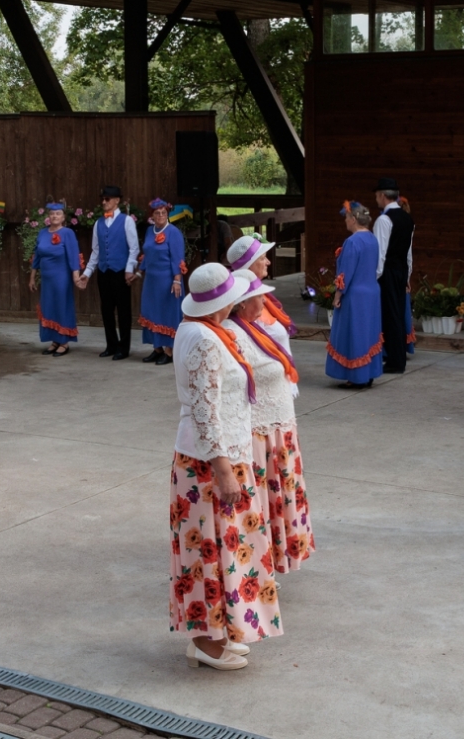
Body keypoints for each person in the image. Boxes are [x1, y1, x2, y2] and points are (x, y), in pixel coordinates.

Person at [169, 263, 282, 670]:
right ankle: (205, 641)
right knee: (207, 552)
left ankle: (220, 631)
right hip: (207, 462)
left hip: (222, 453)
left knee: (227, 548)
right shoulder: (202, 337)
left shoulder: (209, 332)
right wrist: (222, 468)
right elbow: (204, 409)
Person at [226, 274, 316, 575]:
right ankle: (258, 567)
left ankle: (272, 562)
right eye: (259, 297)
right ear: (241, 303)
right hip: (259, 432)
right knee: (261, 503)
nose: (264, 302)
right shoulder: (233, 334)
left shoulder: (251, 329)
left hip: (274, 428)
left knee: (274, 501)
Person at [326, 201, 383, 388]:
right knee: (368, 333)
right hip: (371, 293)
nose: (345, 221)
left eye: (346, 218)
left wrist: (337, 295)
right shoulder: (372, 239)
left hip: (355, 295)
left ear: (353, 219)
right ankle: (368, 373)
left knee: (355, 334)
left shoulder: (352, 242)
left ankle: (357, 377)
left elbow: (345, 273)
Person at [78, 185, 138, 360]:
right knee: (106, 310)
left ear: (117, 200)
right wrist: (87, 273)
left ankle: (123, 348)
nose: (104, 202)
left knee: (124, 310)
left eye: (107, 199)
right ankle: (111, 345)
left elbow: (133, 248)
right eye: (102, 199)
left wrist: (128, 270)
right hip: (104, 272)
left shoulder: (127, 221)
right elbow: (96, 251)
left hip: (120, 271)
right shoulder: (98, 223)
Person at [372, 177, 415, 374]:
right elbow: (408, 252)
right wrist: (407, 277)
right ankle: (398, 359)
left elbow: (380, 253)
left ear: (382, 196)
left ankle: (395, 361)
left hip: (387, 272)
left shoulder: (384, 219)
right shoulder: (407, 218)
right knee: (397, 313)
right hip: (400, 271)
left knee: (390, 316)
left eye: (377, 196)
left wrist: (375, 277)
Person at [137, 198, 186, 365]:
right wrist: (138, 272)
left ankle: (169, 351)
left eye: (163, 213)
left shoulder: (173, 233)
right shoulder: (150, 232)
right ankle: (157, 349)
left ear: (167, 214)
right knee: (151, 312)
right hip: (151, 280)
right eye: (157, 213)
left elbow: (177, 259)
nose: (160, 216)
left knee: (167, 314)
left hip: (168, 280)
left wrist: (177, 280)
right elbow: (147, 254)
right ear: (152, 216)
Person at [28, 202, 80, 356]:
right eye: (52, 214)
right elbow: (37, 256)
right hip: (47, 279)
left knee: (61, 306)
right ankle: (54, 340)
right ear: (48, 217)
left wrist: (76, 276)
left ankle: (64, 342)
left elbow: (73, 256)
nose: (54, 216)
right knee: (48, 307)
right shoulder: (42, 233)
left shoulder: (68, 233)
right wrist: (32, 277)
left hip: (61, 278)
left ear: (63, 217)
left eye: (58, 214)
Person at [228, 235, 297, 337]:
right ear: (250, 264)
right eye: (263, 258)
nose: (268, 262)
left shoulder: (261, 296)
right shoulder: (249, 303)